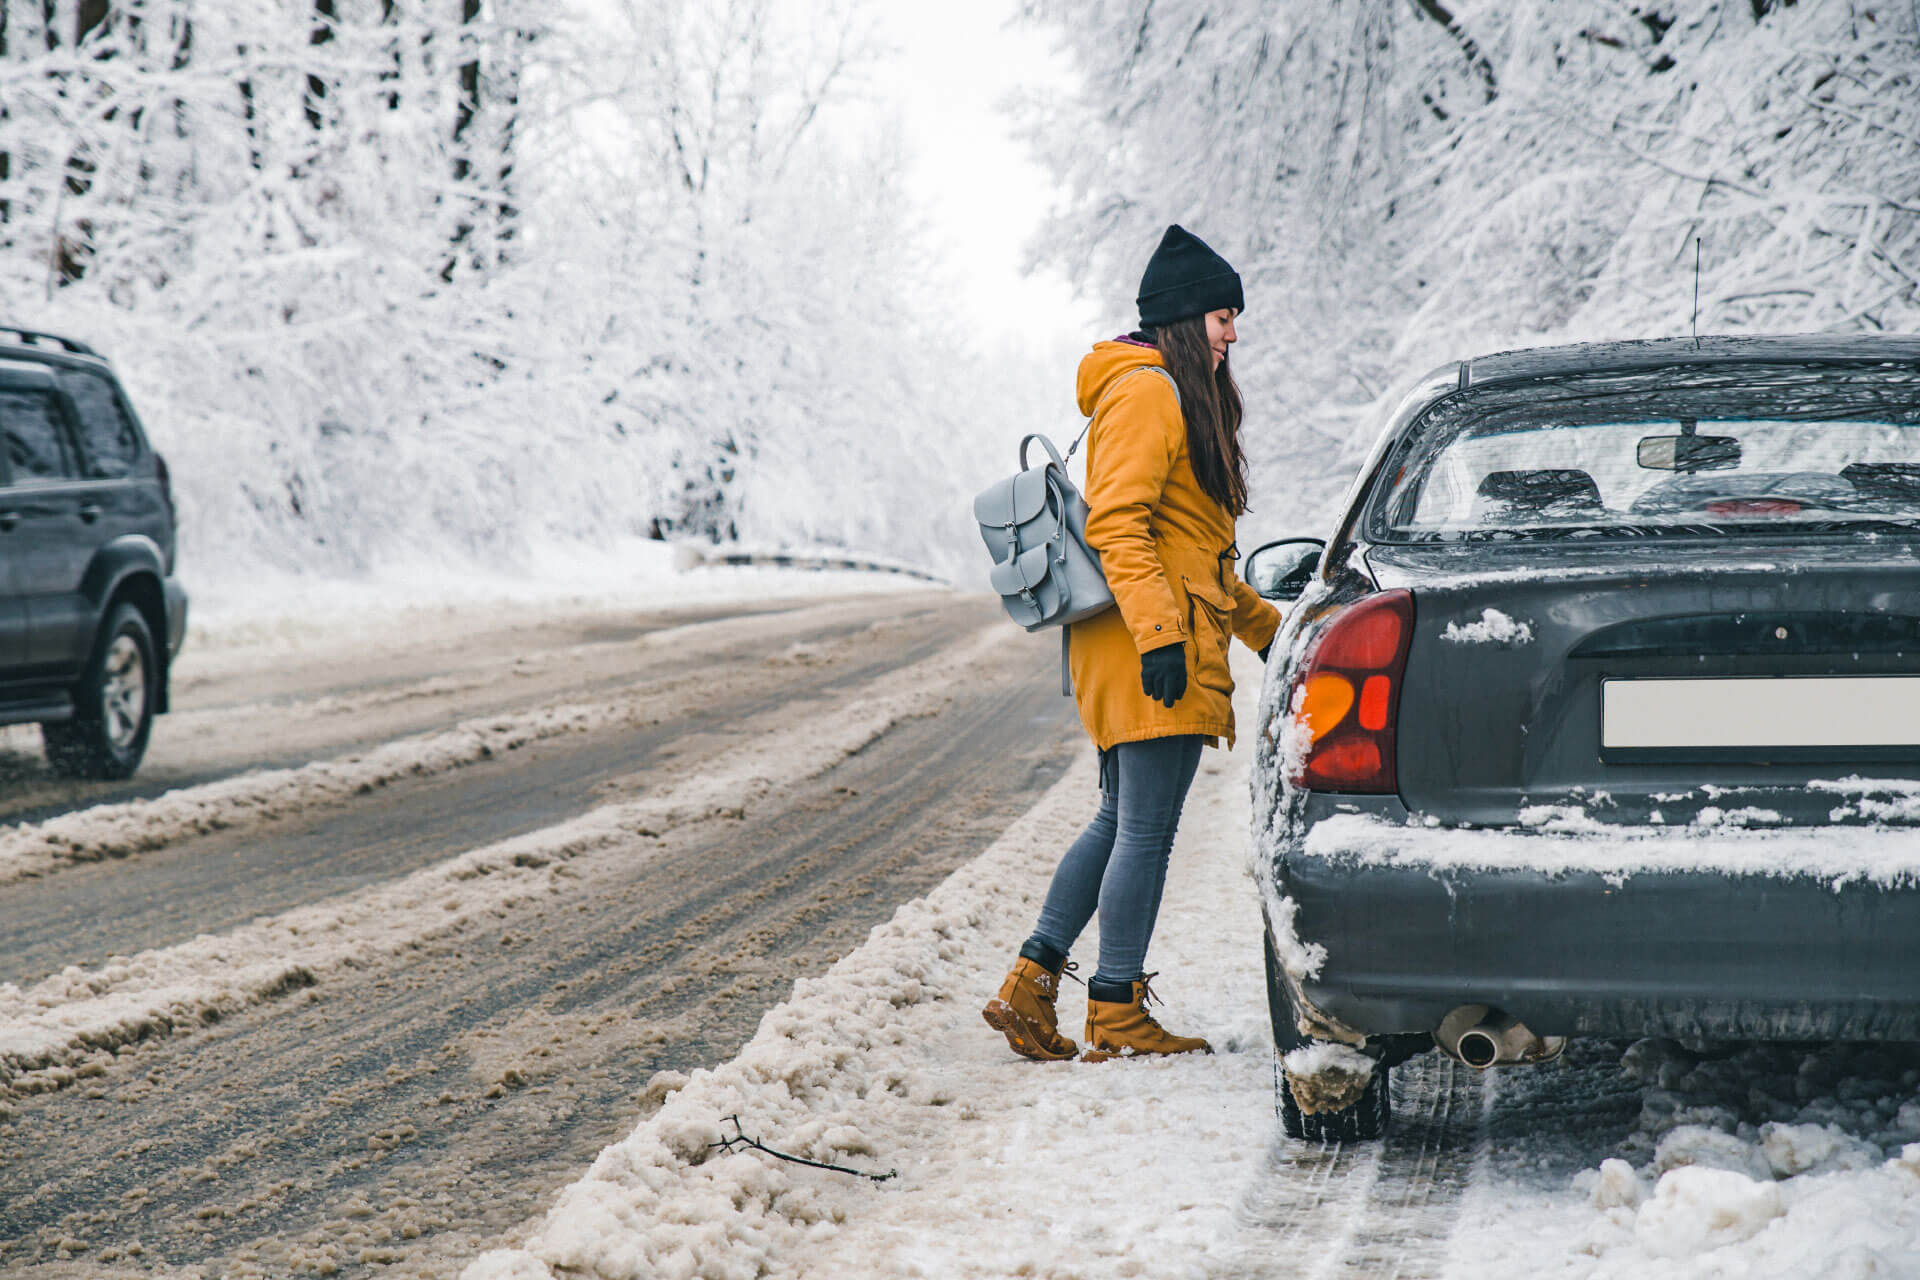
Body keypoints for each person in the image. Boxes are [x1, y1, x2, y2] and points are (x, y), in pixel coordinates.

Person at [982, 225, 1283, 1063]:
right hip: (1152, 643)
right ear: (1188, 319)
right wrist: (1161, 638)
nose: (1232, 333)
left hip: (1147, 634)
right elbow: (1120, 522)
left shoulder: (1162, 392)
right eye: (1224, 316)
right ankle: (1114, 1010)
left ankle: (1031, 983)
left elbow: (1197, 556)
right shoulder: (1148, 392)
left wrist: (1274, 633)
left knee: (1121, 822)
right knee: (1144, 831)